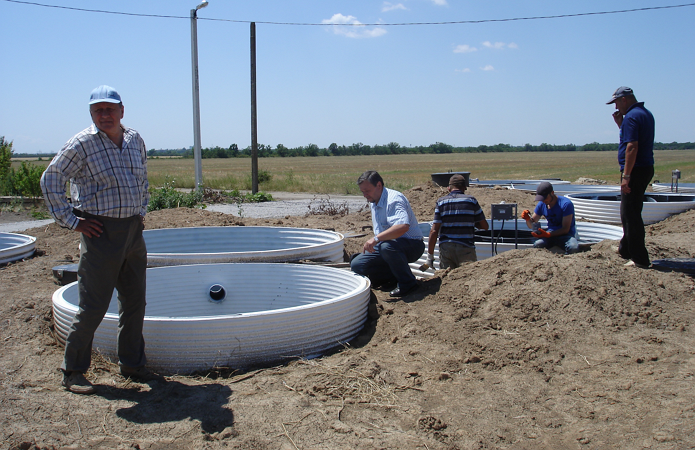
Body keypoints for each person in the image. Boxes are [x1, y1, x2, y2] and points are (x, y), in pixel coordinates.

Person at [40, 85, 155, 395]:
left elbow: (141, 178)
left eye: (110, 109)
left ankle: (132, 364)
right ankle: (73, 371)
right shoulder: (82, 144)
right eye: (97, 110)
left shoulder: (134, 139)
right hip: (100, 231)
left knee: (134, 301)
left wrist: (140, 212)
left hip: (132, 229)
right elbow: (50, 179)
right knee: (93, 305)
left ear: (121, 111)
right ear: (91, 114)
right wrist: (72, 221)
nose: (104, 115)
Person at [350, 170, 425, 297]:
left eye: (367, 191)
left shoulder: (393, 199)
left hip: (412, 245)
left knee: (387, 247)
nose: (364, 195)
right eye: (362, 191)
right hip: (388, 246)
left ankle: (408, 283)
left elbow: (403, 226)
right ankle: (392, 277)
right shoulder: (374, 200)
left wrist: (376, 239)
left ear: (378, 185)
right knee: (357, 264)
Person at [607, 86, 655, 268]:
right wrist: (621, 125)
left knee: (630, 215)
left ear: (625, 99)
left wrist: (626, 175)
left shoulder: (633, 117)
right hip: (644, 167)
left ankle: (639, 258)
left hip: (636, 169)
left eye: (617, 103)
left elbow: (632, 147)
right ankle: (625, 250)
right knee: (629, 211)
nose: (616, 107)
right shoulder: (645, 114)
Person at [425, 174, 488, 270]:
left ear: (448, 188)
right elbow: (485, 226)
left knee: (447, 280)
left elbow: (434, 231)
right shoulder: (471, 201)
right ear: (464, 188)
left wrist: (430, 256)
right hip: (466, 247)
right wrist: (471, 222)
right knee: (468, 278)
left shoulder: (441, 202)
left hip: (446, 248)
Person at [522, 181, 579, 255]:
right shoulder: (542, 204)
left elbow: (565, 229)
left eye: (545, 198)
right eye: (541, 198)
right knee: (538, 245)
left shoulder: (566, 204)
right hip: (550, 235)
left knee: (573, 247)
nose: (543, 200)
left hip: (566, 236)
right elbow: (531, 225)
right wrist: (527, 219)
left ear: (552, 193)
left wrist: (548, 234)